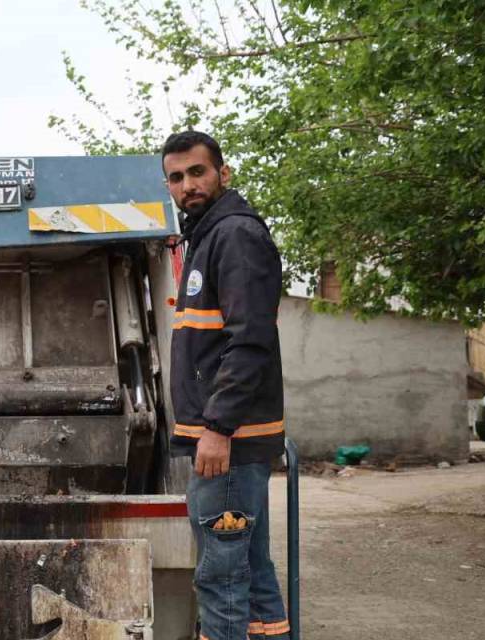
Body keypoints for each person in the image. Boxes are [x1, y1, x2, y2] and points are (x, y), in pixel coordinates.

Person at [164, 131, 289, 640]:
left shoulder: (234, 235)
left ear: (223, 173)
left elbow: (249, 341)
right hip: (229, 441)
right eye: (176, 177)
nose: (187, 185)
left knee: (222, 577)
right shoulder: (208, 237)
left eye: (198, 172)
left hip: (228, 445)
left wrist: (216, 428)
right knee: (250, 573)